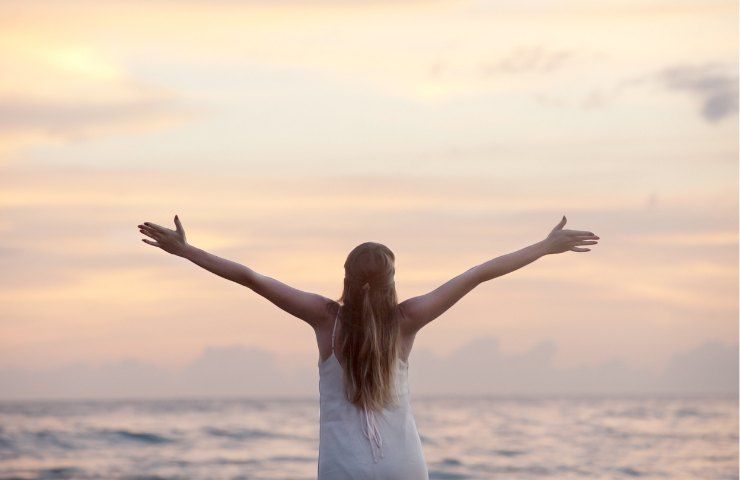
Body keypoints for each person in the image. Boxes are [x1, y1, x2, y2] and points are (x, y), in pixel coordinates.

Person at [137, 214, 599, 479]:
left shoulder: (324, 319)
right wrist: (543, 246)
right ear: (391, 281)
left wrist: (186, 251)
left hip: (344, 468)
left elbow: (250, 277)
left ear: (346, 276)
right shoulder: (408, 320)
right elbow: (479, 273)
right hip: (403, 466)